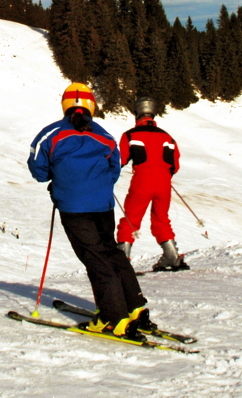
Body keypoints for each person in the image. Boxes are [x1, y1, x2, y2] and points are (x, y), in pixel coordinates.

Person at [27, 82, 154, 340]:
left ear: (65, 104)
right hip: (102, 205)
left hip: (74, 207)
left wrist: (62, 177)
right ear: (92, 106)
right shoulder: (104, 135)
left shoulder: (50, 134)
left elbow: (38, 170)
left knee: (95, 258)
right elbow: (114, 169)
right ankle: (135, 308)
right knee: (111, 252)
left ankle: (113, 317)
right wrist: (97, 185)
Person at [117, 98, 188, 271]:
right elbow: (175, 165)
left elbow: (121, 159)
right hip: (164, 183)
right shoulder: (167, 136)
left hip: (142, 181)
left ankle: (123, 262)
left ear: (137, 113)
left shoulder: (130, 135)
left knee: (131, 219)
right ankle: (172, 256)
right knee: (161, 219)